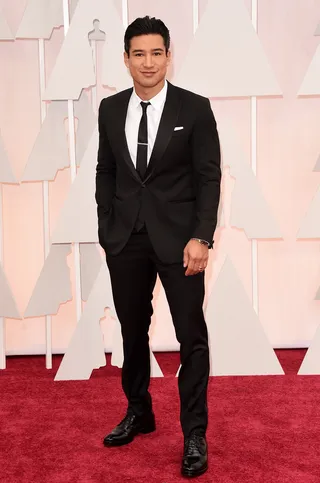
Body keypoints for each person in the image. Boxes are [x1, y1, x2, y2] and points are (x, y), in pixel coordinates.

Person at [95, 15, 221, 478]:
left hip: (181, 242)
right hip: (125, 239)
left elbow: (209, 177)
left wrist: (201, 236)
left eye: (156, 52)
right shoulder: (110, 109)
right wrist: (107, 225)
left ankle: (194, 433)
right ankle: (139, 412)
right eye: (139, 53)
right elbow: (105, 171)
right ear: (126, 59)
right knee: (132, 333)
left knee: (192, 339)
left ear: (169, 56)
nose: (148, 62)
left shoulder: (195, 109)